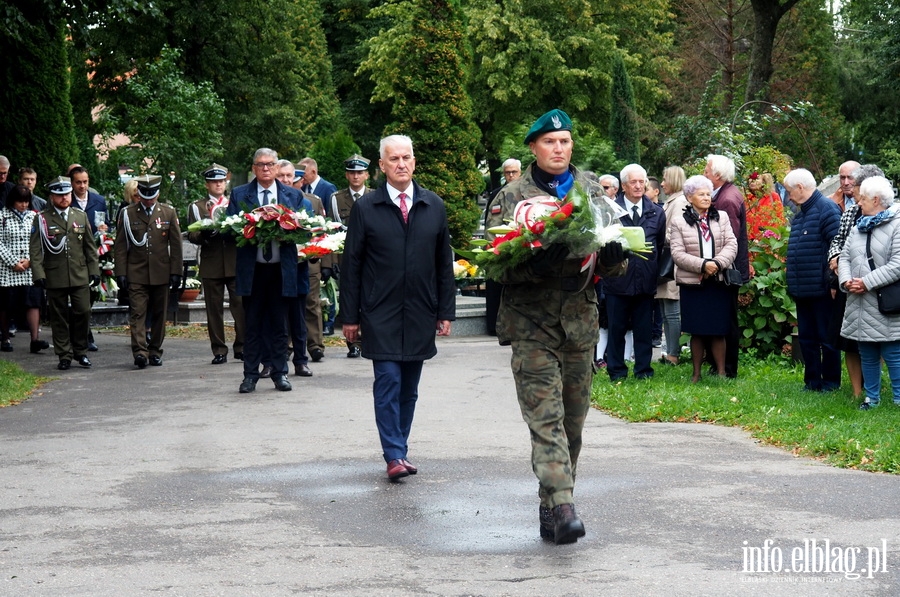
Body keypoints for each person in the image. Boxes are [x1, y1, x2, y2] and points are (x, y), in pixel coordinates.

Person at [487, 109, 627, 545]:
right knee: (545, 420)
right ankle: (565, 504)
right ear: (533, 147)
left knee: (573, 424)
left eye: (565, 141)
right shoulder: (509, 198)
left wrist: (613, 258)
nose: (559, 149)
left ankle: (550, 504)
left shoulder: (591, 191)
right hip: (532, 324)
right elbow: (493, 269)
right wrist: (533, 264)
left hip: (580, 324)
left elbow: (616, 262)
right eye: (550, 142)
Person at [340, 134, 455, 484]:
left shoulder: (432, 205)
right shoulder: (366, 207)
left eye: (407, 157)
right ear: (382, 166)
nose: (401, 164)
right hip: (380, 312)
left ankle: (399, 449)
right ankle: (393, 453)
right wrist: (350, 316)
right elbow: (353, 265)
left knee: (409, 388)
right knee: (387, 380)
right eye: (394, 159)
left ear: (414, 162)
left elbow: (442, 264)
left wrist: (445, 310)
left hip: (420, 310)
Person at [228, 148, 302, 394]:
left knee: (280, 325)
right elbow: (230, 230)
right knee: (253, 324)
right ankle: (250, 375)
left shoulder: (292, 195)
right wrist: (249, 228)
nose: (266, 169)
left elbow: (304, 229)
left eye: (270, 164)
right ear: (253, 168)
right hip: (254, 269)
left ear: (277, 168)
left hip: (281, 270)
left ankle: (280, 373)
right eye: (261, 165)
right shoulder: (240, 194)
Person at [839, 176, 900, 410]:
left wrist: (866, 282)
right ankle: (871, 399)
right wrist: (846, 281)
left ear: (876, 199)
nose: (858, 203)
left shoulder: (896, 224)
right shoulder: (858, 226)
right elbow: (845, 257)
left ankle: (897, 399)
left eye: (862, 198)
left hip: (883, 300)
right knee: (866, 351)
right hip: (858, 300)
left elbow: (897, 264)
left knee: (893, 352)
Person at [669, 175, 738, 382]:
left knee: (718, 329)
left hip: (717, 280)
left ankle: (721, 372)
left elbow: (731, 244)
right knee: (697, 330)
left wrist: (716, 264)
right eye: (701, 194)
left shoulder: (722, 217)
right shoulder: (679, 221)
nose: (707, 197)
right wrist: (702, 265)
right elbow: (677, 253)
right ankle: (696, 373)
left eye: (709, 194)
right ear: (690, 197)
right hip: (693, 283)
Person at [827, 164, 886, 399]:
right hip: (848, 284)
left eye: (860, 187)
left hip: (875, 286)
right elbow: (838, 241)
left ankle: (873, 386)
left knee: (876, 339)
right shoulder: (851, 213)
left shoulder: (889, 214)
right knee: (848, 340)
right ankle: (856, 391)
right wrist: (835, 258)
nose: (856, 193)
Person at [604, 163, 666, 382]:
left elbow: (659, 244)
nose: (639, 186)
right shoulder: (611, 211)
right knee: (616, 328)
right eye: (634, 182)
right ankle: (616, 371)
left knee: (643, 329)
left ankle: (643, 370)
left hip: (645, 280)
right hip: (617, 279)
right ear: (623, 186)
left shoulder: (656, 212)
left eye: (642, 182)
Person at [29, 177, 100, 370]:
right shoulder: (42, 218)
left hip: (79, 273)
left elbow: (89, 247)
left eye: (67, 194)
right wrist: (38, 274)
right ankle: (64, 354)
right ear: (52, 196)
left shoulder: (79, 215)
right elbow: (35, 249)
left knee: (83, 311)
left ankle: (81, 351)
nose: (64, 198)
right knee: (58, 316)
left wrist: (94, 270)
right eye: (59, 195)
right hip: (55, 274)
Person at [114, 175, 183, 368]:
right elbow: (120, 245)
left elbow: (175, 245)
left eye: (152, 195)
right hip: (136, 272)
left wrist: (176, 272)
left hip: (161, 271)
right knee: (137, 313)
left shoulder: (168, 212)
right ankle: (140, 352)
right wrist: (121, 272)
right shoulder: (127, 213)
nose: (149, 199)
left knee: (160, 314)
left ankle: (155, 351)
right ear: (139, 194)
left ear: (158, 193)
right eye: (145, 195)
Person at [784, 168, 842, 392]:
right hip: (803, 289)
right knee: (807, 339)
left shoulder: (827, 210)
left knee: (827, 339)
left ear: (800, 187)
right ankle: (812, 382)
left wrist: (833, 282)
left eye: (790, 191)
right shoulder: (800, 216)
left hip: (822, 289)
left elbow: (837, 249)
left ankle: (830, 383)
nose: (788, 196)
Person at [186, 163, 245, 365]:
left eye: (221, 181)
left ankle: (242, 346)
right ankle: (219, 349)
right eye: (214, 182)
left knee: (241, 306)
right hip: (211, 262)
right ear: (207, 184)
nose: (218, 185)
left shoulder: (234, 202)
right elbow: (191, 234)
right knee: (214, 309)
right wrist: (205, 234)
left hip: (234, 260)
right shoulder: (198, 206)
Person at [704, 155, 749, 378]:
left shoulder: (726, 200)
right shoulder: (725, 194)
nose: (704, 173)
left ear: (718, 175)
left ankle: (727, 368)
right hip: (725, 269)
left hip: (726, 271)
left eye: (707, 170)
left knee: (726, 319)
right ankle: (719, 365)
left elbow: (726, 239)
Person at [274, 159, 313, 378]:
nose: (287, 180)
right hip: (273, 270)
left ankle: (301, 361)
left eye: (290, 176)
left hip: (297, 268)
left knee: (298, 318)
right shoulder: (270, 202)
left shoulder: (304, 203)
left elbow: (311, 234)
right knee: (274, 318)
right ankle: (273, 361)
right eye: (282, 176)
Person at [329, 154, 370, 356]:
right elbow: (332, 229)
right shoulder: (336, 199)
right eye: (352, 173)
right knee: (349, 296)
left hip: (370, 256)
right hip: (346, 255)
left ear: (367, 175)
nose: (356, 177)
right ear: (347, 175)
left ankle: (368, 339)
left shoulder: (375, 196)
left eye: (360, 173)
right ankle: (352, 344)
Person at [0, 185, 48, 353]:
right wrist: (12, 261)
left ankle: (35, 339)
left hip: (29, 267)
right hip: (7, 268)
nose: (23, 205)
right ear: (13, 201)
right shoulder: (2, 216)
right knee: (6, 304)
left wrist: (30, 261)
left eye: (26, 201)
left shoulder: (35, 216)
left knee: (33, 302)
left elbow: (41, 241)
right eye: (20, 201)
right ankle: (5, 338)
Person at [68, 166, 109, 353]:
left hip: (95, 253)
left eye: (85, 182)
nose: (82, 186)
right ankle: (83, 335)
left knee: (91, 295)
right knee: (78, 299)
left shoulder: (99, 201)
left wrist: (104, 231)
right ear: (72, 183)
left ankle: (84, 332)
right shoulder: (67, 201)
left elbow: (105, 223)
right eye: (78, 182)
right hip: (74, 255)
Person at [657, 165, 688, 365]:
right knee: (666, 311)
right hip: (665, 261)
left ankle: (674, 354)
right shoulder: (672, 200)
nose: (661, 183)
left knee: (672, 312)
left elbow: (676, 231)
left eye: (664, 179)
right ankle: (670, 351)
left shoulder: (680, 201)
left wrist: (657, 237)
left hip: (673, 263)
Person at [745, 172, 786, 240]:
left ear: (764, 181)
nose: (752, 181)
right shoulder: (745, 198)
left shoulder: (773, 197)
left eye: (757, 178)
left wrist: (769, 237)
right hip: (749, 243)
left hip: (767, 243)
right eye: (750, 178)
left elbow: (780, 219)